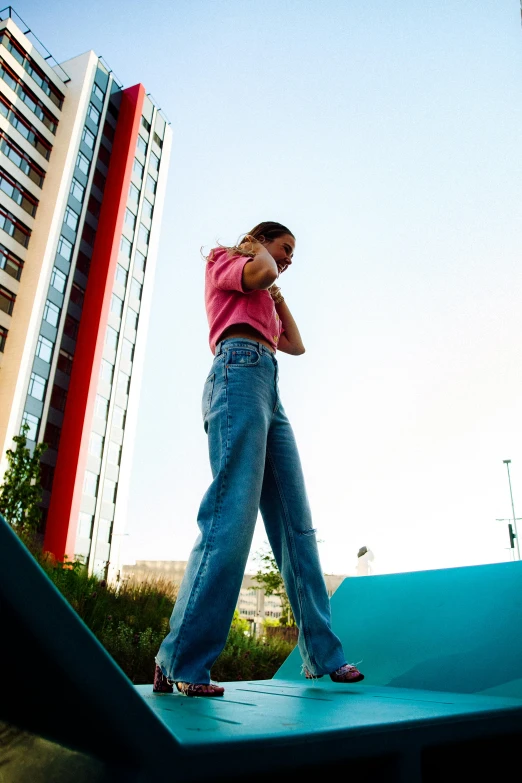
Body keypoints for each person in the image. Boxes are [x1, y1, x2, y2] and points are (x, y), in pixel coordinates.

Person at [153, 221, 364, 697]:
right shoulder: (226, 262)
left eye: (292, 255)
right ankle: (182, 660)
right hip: (237, 372)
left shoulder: (265, 288)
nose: (288, 259)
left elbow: (296, 345)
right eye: (284, 248)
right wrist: (256, 255)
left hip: (268, 383)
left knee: (297, 526)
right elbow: (261, 272)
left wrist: (278, 292)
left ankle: (322, 655)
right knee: (232, 517)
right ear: (257, 240)